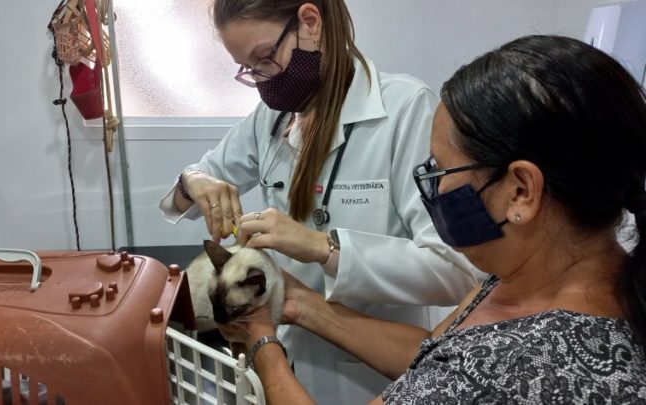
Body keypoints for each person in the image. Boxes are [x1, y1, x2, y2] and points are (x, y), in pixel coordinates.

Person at [219, 34, 646, 404]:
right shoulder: (547, 281)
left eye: (442, 171)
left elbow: (455, 367)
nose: (434, 191)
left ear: (521, 191)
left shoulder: (501, 370)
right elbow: (433, 352)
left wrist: (263, 341)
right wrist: (300, 304)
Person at [159, 0, 478, 402]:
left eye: (264, 59)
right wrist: (195, 179)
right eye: (248, 69)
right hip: (277, 352)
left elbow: (456, 272)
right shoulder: (270, 119)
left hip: (369, 372)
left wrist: (323, 248)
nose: (261, 80)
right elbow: (180, 195)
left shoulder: (406, 110)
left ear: (310, 22)